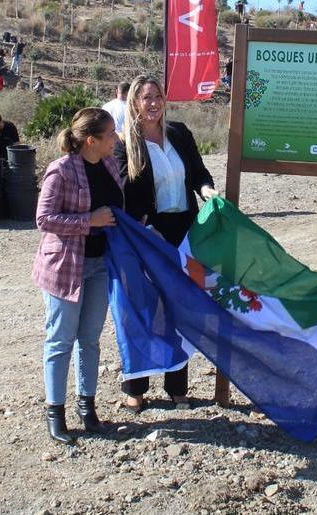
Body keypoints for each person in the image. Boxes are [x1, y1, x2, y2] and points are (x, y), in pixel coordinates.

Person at [114, 75, 217, 413]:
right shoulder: (124, 144)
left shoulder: (180, 133)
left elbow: (199, 173)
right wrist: (145, 226)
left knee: (182, 308)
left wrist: (207, 191)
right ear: (134, 103)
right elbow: (124, 196)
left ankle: (177, 388)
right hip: (149, 238)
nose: (154, 103)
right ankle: (136, 388)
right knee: (144, 309)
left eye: (158, 96)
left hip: (186, 232)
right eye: (146, 98)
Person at [32, 107, 122, 444]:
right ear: (91, 140)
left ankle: (88, 406)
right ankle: (55, 411)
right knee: (60, 339)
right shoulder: (62, 170)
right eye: (111, 134)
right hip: (65, 268)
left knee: (90, 338)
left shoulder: (111, 165)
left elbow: (116, 210)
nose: (116, 139)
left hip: (100, 265)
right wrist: (89, 221)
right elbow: (44, 219)